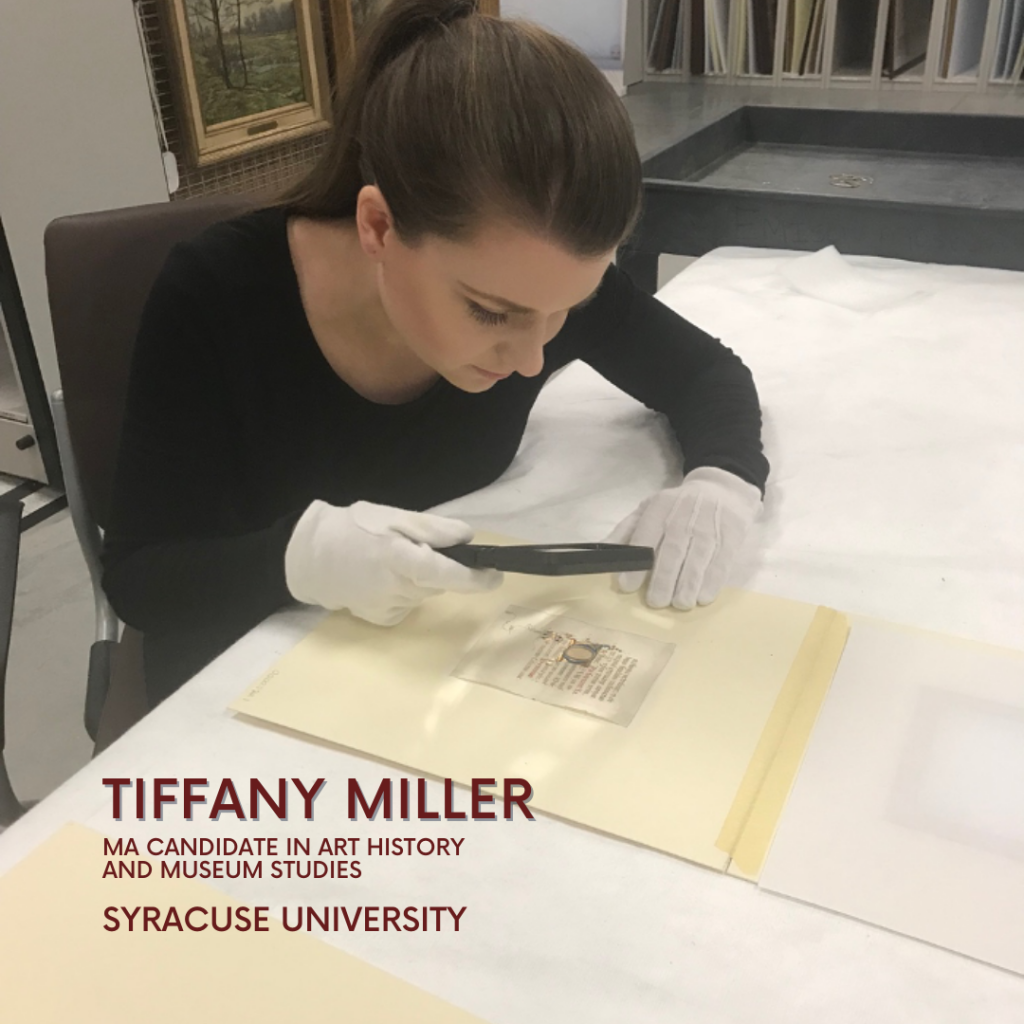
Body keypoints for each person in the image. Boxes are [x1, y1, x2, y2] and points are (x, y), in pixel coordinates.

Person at [101, 0, 769, 708]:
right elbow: (143, 578)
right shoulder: (218, 296)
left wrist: (722, 481)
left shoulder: (533, 281)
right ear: (379, 226)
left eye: (565, 312)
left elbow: (704, 372)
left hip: (445, 680)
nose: (531, 357)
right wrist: (293, 559)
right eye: (489, 313)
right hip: (255, 687)